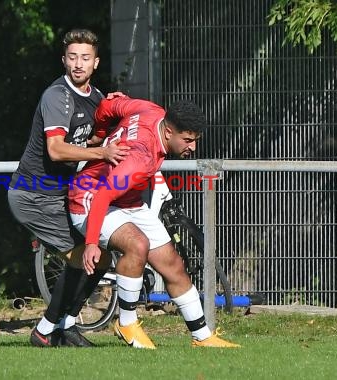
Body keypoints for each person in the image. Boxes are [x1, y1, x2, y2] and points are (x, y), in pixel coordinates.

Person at [68, 95, 241, 349]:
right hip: (90, 198)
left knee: (172, 262)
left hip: (128, 200)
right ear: (169, 131)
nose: (192, 147)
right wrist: (92, 242)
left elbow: (108, 106)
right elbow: (104, 194)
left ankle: (203, 336)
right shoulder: (140, 157)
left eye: (195, 140)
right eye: (188, 140)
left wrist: (101, 134)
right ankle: (126, 323)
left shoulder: (149, 109)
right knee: (138, 244)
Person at [7, 29, 129, 347]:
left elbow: (93, 137)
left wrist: (119, 109)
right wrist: (102, 153)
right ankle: (49, 330)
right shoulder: (56, 95)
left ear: (96, 62)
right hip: (33, 196)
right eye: (72, 57)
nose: (78, 64)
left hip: (58, 196)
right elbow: (57, 150)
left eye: (85, 58)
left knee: (98, 258)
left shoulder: (97, 98)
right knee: (83, 258)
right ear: (64, 60)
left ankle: (62, 326)